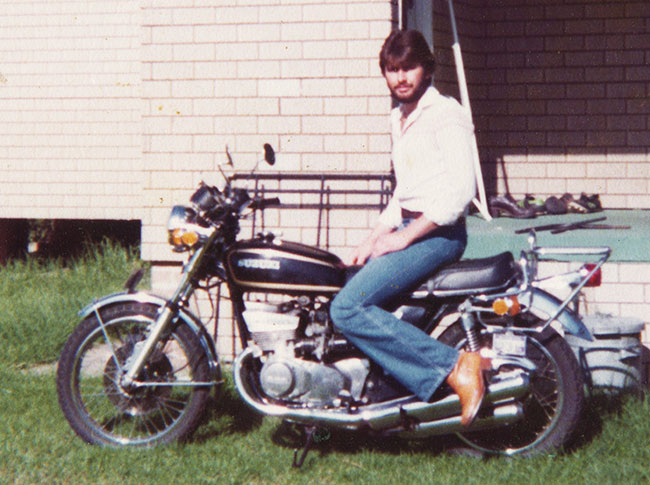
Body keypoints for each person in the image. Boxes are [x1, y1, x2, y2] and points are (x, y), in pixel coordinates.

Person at [330, 29, 490, 426]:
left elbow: (459, 192)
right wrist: (370, 240)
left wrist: (403, 237)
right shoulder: (399, 119)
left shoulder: (445, 113)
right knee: (342, 282)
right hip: (411, 227)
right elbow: (405, 191)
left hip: (438, 236)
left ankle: (456, 367)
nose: (401, 78)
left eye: (409, 68)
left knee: (348, 308)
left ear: (427, 68)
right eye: (392, 69)